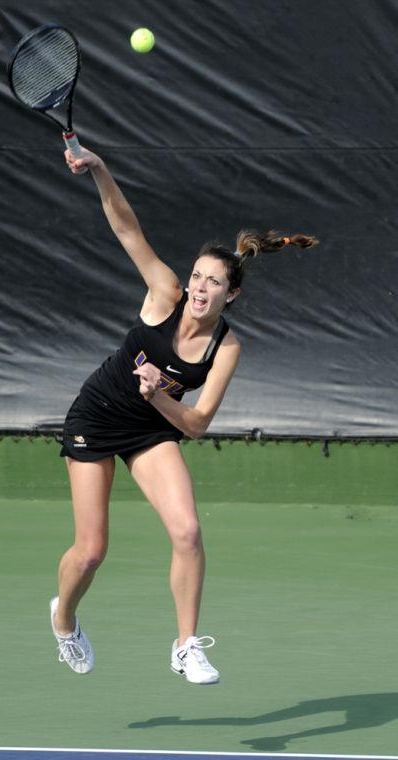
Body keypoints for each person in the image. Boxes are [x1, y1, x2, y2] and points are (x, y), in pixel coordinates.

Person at [50, 147, 317, 684]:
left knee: (189, 533)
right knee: (92, 551)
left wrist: (155, 399)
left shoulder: (227, 347)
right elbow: (127, 230)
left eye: (213, 282)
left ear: (231, 294)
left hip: (152, 427)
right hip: (97, 417)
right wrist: (99, 169)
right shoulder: (164, 294)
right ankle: (63, 619)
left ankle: (186, 645)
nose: (199, 288)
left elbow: (196, 424)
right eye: (197, 276)